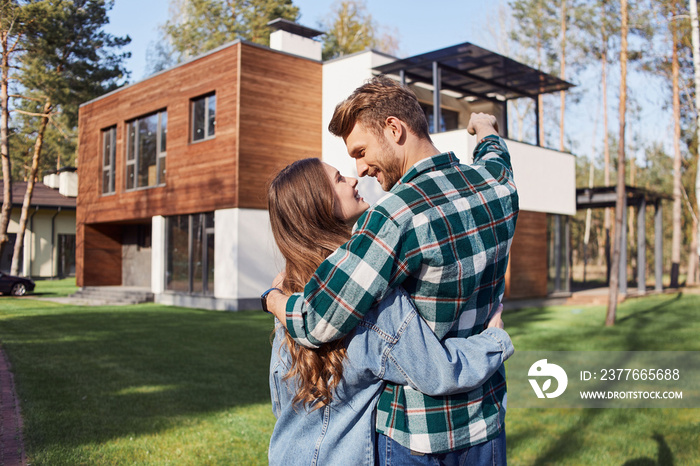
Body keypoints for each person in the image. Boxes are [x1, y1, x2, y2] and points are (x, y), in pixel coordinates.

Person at [263, 76, 518, 463]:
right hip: (486, 419)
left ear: (394, 129)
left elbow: (316, 320)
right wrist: (485, 129)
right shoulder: (497, 187)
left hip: (417, 434)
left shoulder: (394, 215)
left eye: (361, 151)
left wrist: (272, 299)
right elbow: (496, 159)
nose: (360, 169)